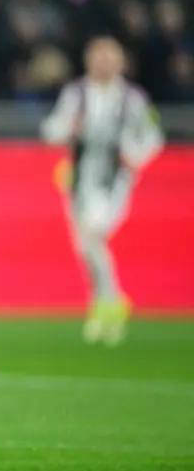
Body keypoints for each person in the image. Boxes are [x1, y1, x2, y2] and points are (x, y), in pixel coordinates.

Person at [41, 36, 163, 346]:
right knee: (85, 246)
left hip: (115, 180)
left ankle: (111, 300)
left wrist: (134, 156)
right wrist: (69, 129)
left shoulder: (133, 98)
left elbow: (153, 136)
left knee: (93, 234)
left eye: (110, 57)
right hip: (79, 179)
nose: (104, 63)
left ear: (121, 62)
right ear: (88, 60)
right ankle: (104, 305)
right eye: (99, 57)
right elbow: (52, 129)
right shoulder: (76, 94)